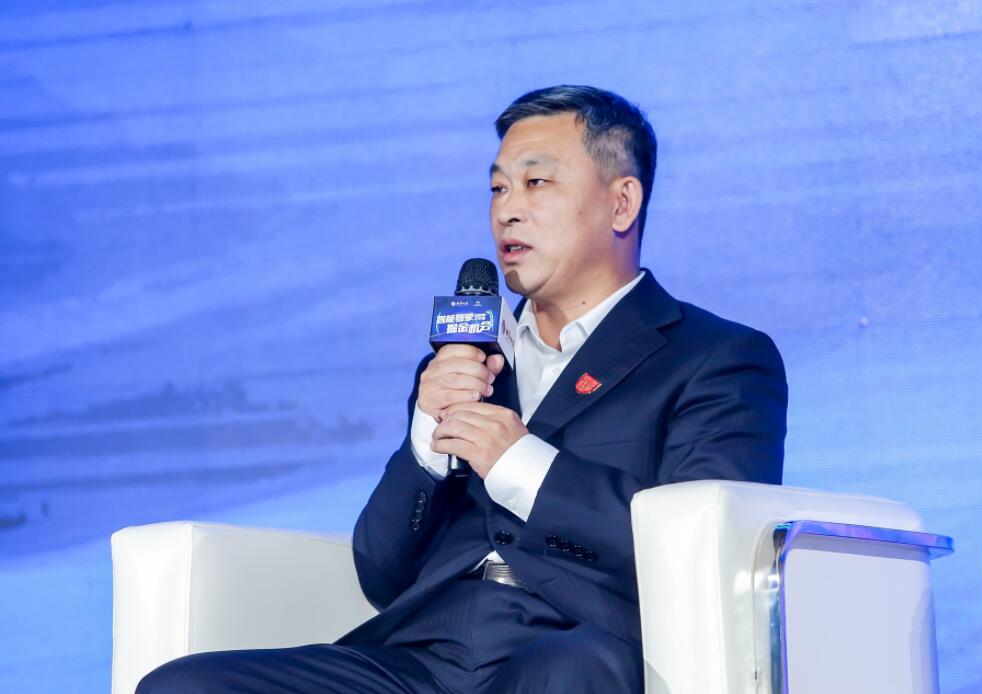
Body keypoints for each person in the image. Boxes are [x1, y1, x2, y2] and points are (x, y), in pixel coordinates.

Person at [137, 85, 787, 693]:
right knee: (183, 685)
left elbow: (701, 555)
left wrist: (521, 464)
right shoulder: (469, 363)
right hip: (423, 658)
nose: (508, 209)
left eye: (536, 182)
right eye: (498, 187)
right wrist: (426, 440)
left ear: (622, 202)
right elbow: (381, 572)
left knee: (569, 670)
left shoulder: (717, 358)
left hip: (576, 648)